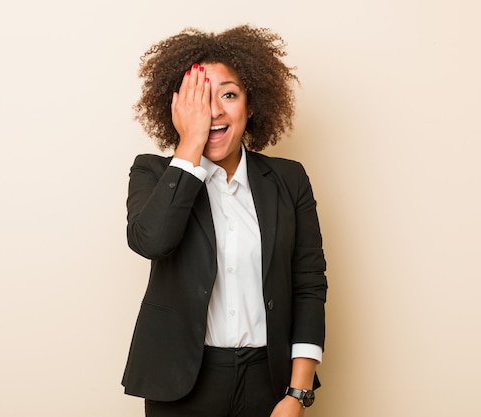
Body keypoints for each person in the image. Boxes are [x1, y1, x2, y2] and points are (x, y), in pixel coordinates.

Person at [121, 24, 327, 417]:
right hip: (182, 386)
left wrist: (297, 394)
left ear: (252, 105)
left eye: (228, 95)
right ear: (178, 108)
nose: (213, 111)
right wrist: (190, 145)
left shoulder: (289, 180)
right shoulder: (153, 173)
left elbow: (308, 284)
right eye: (199, 99)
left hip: (269, 382)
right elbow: (152, 242)